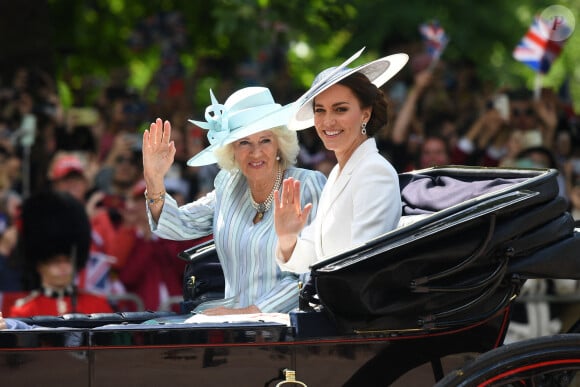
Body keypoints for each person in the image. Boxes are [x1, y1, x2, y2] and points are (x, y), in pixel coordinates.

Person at [142, 86, 326, 315]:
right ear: (231, 151)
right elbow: (178, 224)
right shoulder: (228, 185)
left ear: (280, 143)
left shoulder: (307, 185)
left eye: (265, 140)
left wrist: (249, 312)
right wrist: (154, 180)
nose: (256, 152)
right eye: (244, 142)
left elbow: (311, 273)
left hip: (289, 327)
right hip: (231, 325)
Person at [273, 48, 408, 273]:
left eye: (340, 109)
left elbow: (361, 261)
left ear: (365, 113)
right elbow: (315, 255)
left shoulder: (375, 171)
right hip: (332, 298)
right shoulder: (337, 172)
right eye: (320, 110)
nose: (328, 122)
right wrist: (288, 239)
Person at [8, 191, 113, 317]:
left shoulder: (97, 305)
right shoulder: (24, 310)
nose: (63, 267)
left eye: (68, 260)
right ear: (39, 265)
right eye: (55, 262)